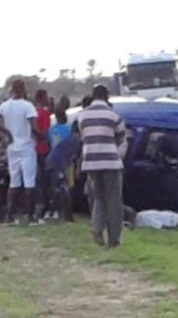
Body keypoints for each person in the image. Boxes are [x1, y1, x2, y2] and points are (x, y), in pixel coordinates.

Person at [79, 85, 126, 247]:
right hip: (110, 162)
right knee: (114, 201)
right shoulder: (113, 115)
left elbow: (83, 136)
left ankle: (96, 227)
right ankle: (114, 239)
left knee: (98, 198)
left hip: (90, 162)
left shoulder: (82, 116)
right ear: (107, 96)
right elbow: (120, 137)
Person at [0, 80, 42, 225]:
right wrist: (43, 137)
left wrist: (6, 132)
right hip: (26, 147)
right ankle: (30, 217)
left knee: (14, 183)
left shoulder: (5, 106)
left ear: (12, 90)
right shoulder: (28, 106)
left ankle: (9, 216)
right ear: (23, 89)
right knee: (29, 183)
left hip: (12, 147)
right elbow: (34, 128)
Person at [45, 120, 81, 222]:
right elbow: (66, 155)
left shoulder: (71, 138)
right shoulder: (75, 139)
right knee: (63, 188)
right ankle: (64, 214)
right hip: (57, 163)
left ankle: (61, 213)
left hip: (58, 162)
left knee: (61, 188)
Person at [34, 89, 52, 219]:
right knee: (45, 181)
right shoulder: (44, 113)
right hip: (43, 150)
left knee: (36, 180)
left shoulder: (32, 112)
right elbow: (45, 132)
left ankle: (36, 206)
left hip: (32, 149)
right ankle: (44, 208)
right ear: (42, 98)